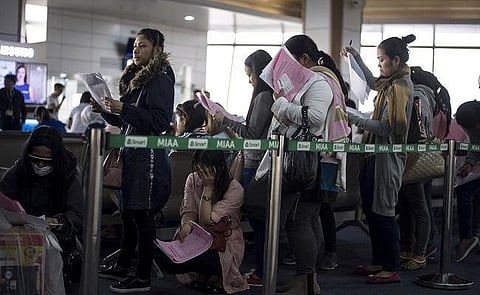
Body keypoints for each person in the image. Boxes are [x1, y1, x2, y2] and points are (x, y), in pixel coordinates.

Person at [95, 28, 175, 294]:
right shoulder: (138, 80)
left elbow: (159, 121)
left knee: (142, 216)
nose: (136, 50)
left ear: (156, 49)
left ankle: (142, 278)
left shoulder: (160, 79)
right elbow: (126, 119)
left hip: (148, 158)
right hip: (134, 153)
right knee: (129, 214)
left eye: (142, 45)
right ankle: (123, 265)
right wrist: (108, 111)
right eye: (135, 46)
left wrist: (124, 108)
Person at [341, 34, 416, 284]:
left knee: (383, 212)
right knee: (373, 213)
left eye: (381, 60)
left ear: (395, 61)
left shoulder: (400, 88)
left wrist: (352, 117)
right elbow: (373, 82)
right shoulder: (390, 83)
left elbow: (386, 128)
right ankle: (379, 261)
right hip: (374, 155)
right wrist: (356, 58)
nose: (379, 65)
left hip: (387, 159)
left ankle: (391, 267)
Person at [214, 49, 274, 286]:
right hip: (259, 161)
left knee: (259, 221)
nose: (249, 79)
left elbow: (251, 134)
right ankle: (262, 269)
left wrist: (225, 120)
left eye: (250, 74)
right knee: (260, 221)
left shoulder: (263, 97)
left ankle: (262, 271)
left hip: (255, 163)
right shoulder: (269, 96)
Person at [154, 150, 249, 294]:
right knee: (164, 258)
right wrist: (186, 226)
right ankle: (204, 274)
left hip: (224, 242)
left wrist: (208, 187)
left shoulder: (235, 189)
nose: (202, 175)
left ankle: (215, 274)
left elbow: (207, 220)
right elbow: (189, 210)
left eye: (207, 171)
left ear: (219, 167)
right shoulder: (192, 179)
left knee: (206, 258)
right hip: (197, 238)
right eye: (199, 170)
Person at [0, 126, 83, 229]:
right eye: (35, 159)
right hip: (20, 231)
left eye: (47, 161)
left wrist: (56, 221)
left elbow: (78, 215)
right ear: (28, 155)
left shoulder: (70, 174)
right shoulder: (17, 172)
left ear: (57, 158)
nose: (40, 164)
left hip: (58, 234)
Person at [452, 100, 480, 262]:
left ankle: (468, 238)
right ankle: (470, 237)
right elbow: (476, 143)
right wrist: (469, 163)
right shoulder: (473, 123)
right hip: (476, 169)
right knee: (466, 191)